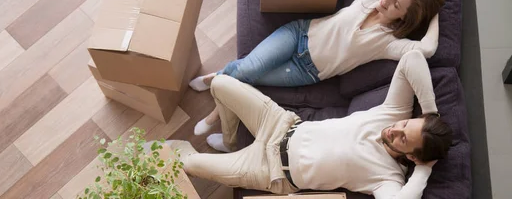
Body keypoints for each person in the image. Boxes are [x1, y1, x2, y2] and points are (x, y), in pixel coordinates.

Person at [189, 0, 446, 138]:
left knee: (246, 77)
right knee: (248, 69)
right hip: (297, 34)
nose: (387, 0)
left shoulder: (388, 43)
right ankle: (216, 113)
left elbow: (427, 49)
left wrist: (433, 16)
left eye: (396, 5)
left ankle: (216, 82)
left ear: (404, 18)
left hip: (304, 71)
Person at [169, 50, 453, 198]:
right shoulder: (393, 114)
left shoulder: (387, 179)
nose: (395, 130)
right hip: (280, 123)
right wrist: (430, 113)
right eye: (406, 124)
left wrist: (423, 171)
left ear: (413, 156)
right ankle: (230, 141)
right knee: (219, 83)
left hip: (270, 171)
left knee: (190, 164)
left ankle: (160, 151)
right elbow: (412, 59)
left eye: (404, 138)